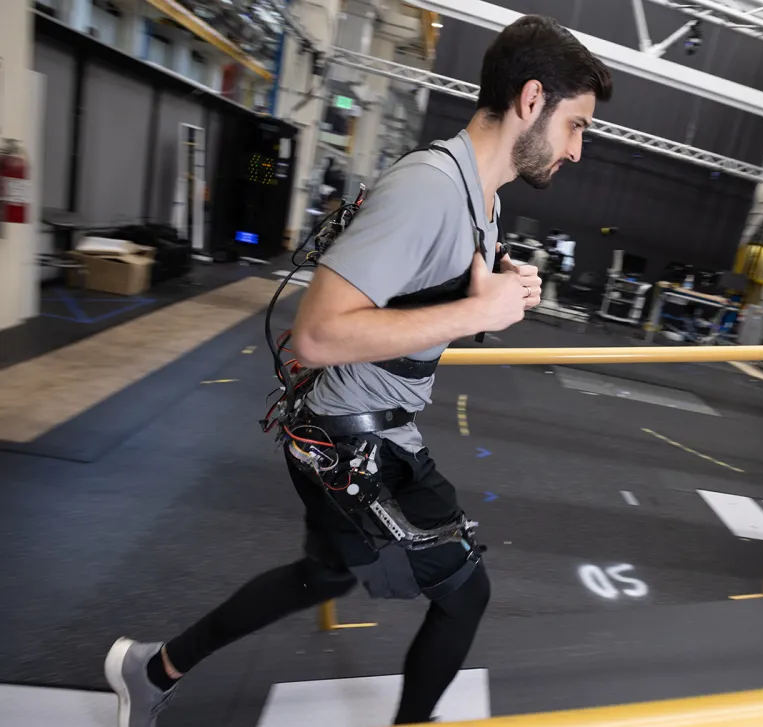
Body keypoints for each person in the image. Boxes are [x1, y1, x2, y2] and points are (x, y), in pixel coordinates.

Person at [103, 14, 612, 727]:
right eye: (577, 125)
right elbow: (314, 334)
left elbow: (412, 306)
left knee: (329, 571)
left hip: (353, 427)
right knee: (466, 592)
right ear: (532, 102)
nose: (578, 150)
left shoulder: (482, 201)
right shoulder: (431, 188)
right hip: (348, 440)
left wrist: (491, 292)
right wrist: (475, 314)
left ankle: (151, 669)